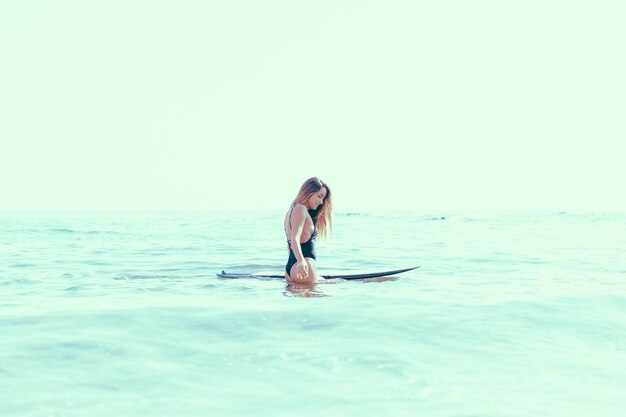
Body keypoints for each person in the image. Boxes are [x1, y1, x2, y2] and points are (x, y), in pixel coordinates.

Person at [284, 177, 332, 284]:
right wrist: (301, 261)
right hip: (304, 266)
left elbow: (289, 243)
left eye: (323, 199)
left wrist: (294, 266)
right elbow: (294, 238)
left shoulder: (293, 209)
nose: (321, 202)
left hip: (293, 268)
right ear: (309, 193)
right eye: (319, 196)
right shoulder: (300, 209)